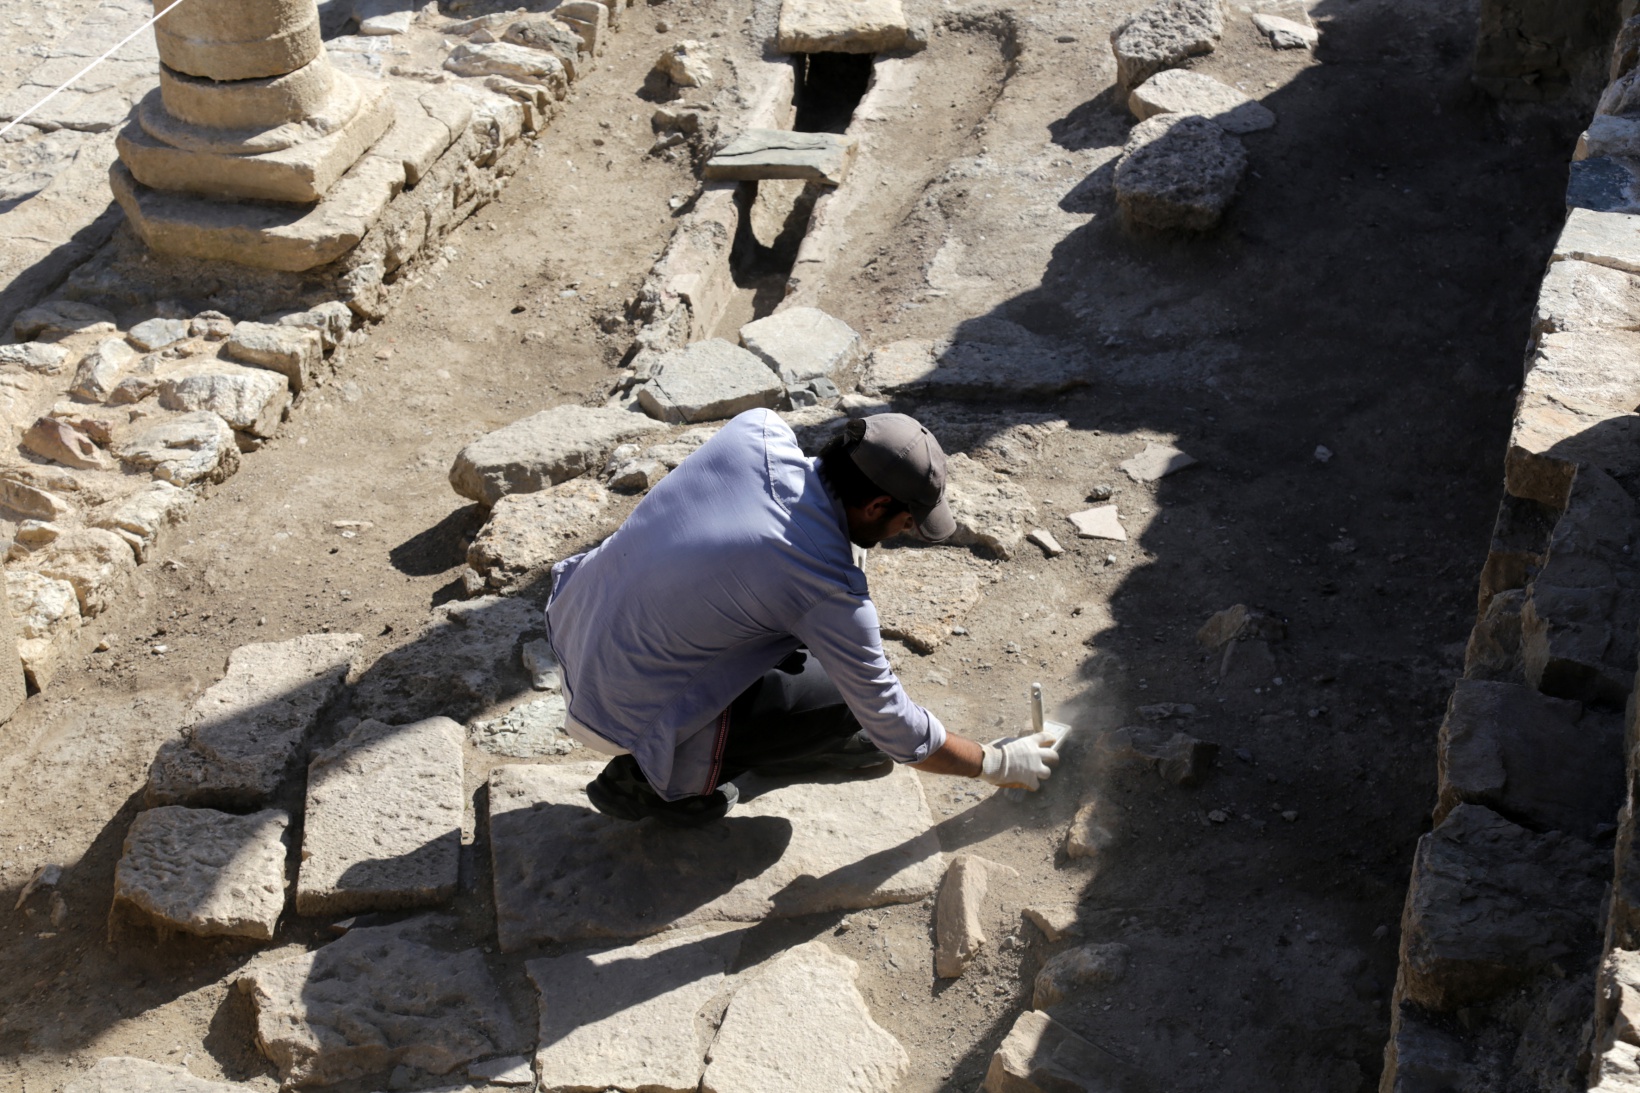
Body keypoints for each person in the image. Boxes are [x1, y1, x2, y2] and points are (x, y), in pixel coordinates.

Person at [543, 407, 1061, 826]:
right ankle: (657, 783)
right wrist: (995, 762)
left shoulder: (758, 431)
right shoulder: (825, 587)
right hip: (616, 712)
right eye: (909, 518)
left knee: (803, 648)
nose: (908, 529)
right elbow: (898, 729)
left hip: (573, 628)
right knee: (846, 707)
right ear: (878, 504)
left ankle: (710, 742)